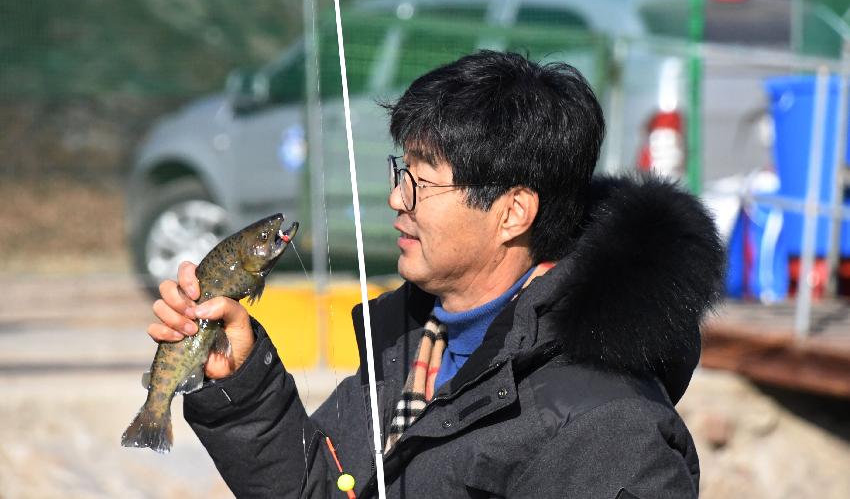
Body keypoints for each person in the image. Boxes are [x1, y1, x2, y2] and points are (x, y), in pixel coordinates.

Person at [149, 50, 724, 498]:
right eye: (402, 169)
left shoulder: (609, 434)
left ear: (512, 213)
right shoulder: (417, 341)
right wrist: (243, 383)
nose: (398, 197)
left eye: (423, 179)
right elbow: (321, 486)